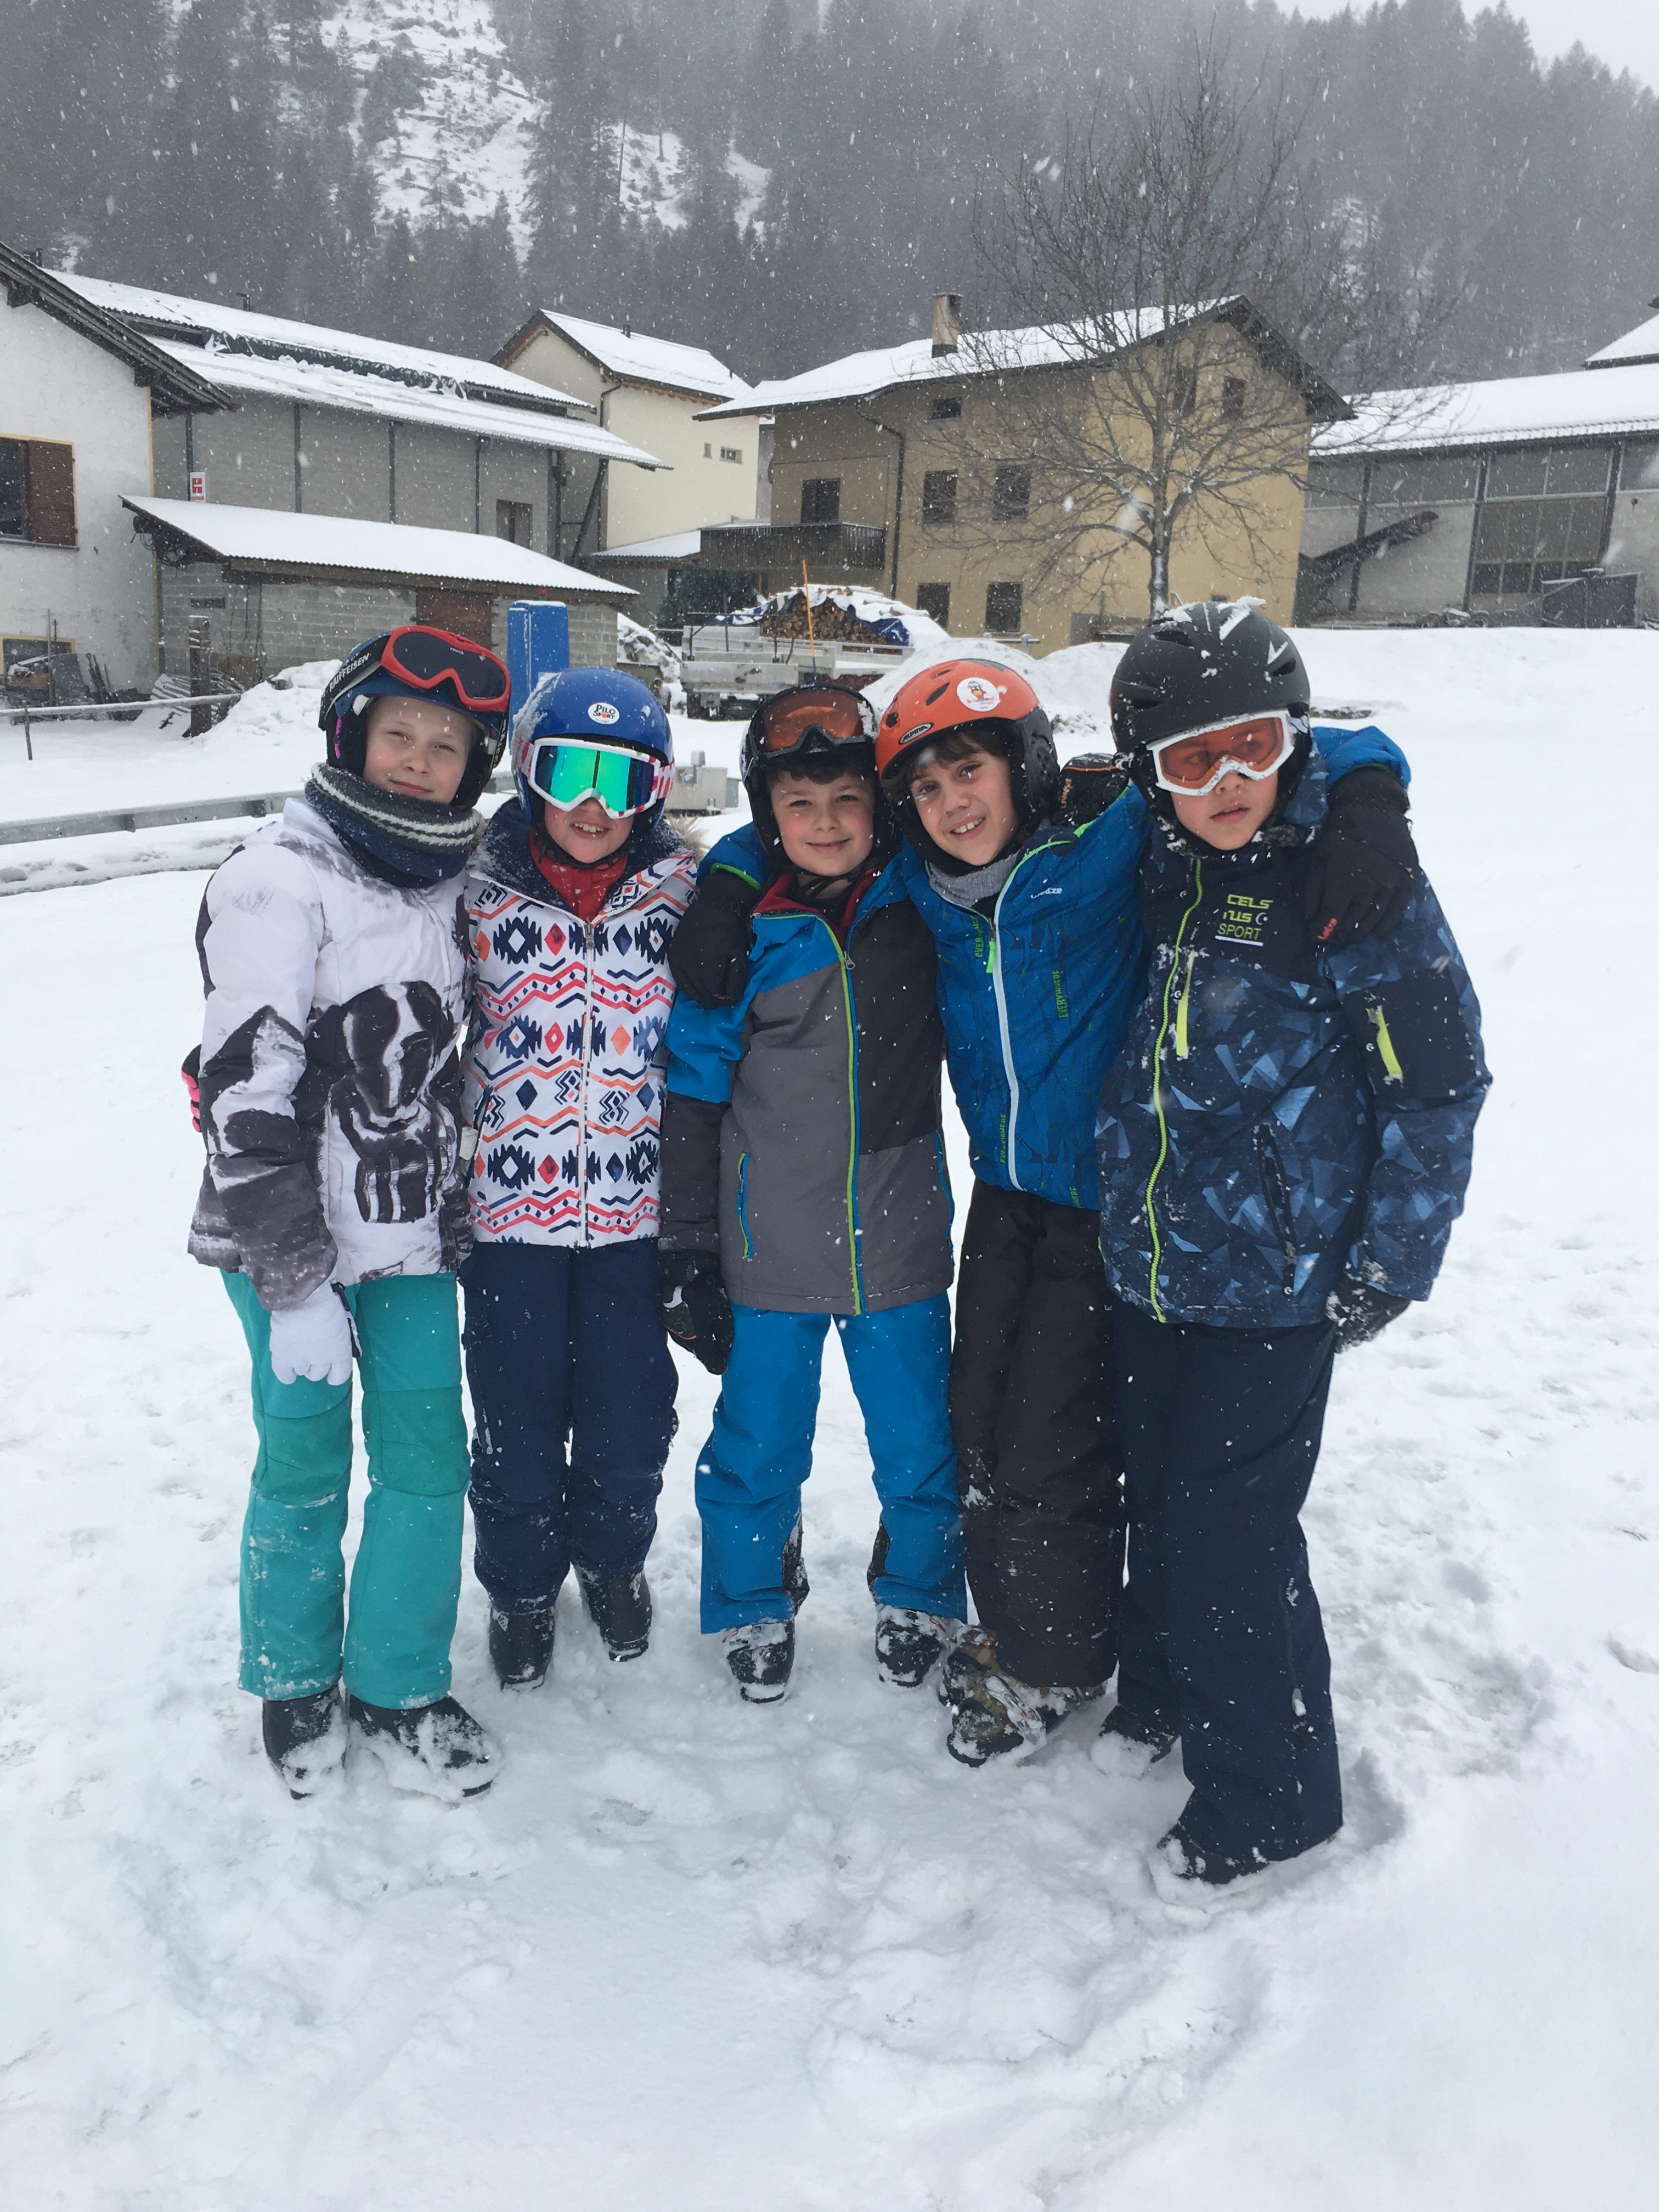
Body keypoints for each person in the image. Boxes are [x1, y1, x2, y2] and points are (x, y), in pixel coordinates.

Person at [673, 637, 1418, 1763]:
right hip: (986, 1202)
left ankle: (1031, 1649)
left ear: (1022, 766)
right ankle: (984, 1616)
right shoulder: (910, 884)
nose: (950, 803)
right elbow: (787, 835)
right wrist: (727, 886)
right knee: (963, 1426)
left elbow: (1246, 756)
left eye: (970, 772)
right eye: (925, 786)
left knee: (1031, 1448)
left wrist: (1367, 793)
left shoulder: (1094, 842)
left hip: (1089, 1202)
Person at [1094, 603, 1489, 1882]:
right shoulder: (1161, 862)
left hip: (1279, 1282)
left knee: (1231, 1537)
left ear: (1294, 738)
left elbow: (1440, 1081)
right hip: (1154, 1261)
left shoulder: (1349, 881)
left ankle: (1271, 1796)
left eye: (1254, 746)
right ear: (1150, 773)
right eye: (1192, 759)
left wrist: (1394, 1259)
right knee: (1157, 1497)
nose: (1227, 782)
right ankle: (1163, 1688)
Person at [188, 625, 511, 1802]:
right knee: (304, 1462)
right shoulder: (275, 877)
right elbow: (244, 1092)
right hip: (288, 1242)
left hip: (411, 1237)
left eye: (446, 745)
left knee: (426, 1463)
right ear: (350, 736)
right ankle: (291, 1678)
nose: (419, 760)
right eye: (398, 734)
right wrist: (292, 1285)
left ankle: (398, 1682)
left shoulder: (454, 880)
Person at [658, 681, 965, 1702]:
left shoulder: (919, 897)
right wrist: (687, 1240)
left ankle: (920, 1589)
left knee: (919, 1435)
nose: (826, 824)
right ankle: (751, 1596)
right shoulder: (746, 933)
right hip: (768, 1239)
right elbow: (694, 1089)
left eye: (847, 801)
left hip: (900, 1231)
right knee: (759, 1436)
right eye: (799, 805)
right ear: (766, 814)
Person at [462, 668, 693, 1690]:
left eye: (623, 779)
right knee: (514, 1421)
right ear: (528, 772)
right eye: (569, 775)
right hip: (509, 1216)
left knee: (628, 1416)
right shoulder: (474, 888)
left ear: (657, 791)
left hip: (634, 1218)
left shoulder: (683, 893)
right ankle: (520, 1587)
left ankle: (611, 1559)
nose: (594, 805)